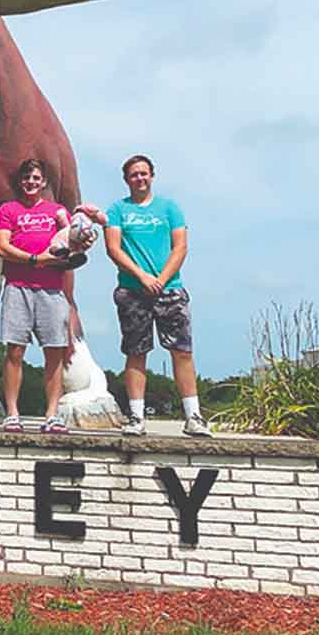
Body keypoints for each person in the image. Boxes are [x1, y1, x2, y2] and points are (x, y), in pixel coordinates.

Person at [76, 155, 212, 437]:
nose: (140, 179)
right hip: (132, 291)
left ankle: (193, 416)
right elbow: (114, 249)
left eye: (144, 174)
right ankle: (136, 417)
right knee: (136, 352)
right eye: (134, 175)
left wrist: (161, 280)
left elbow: (180, 247)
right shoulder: (118, 210)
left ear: (152, 176)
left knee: (182, 352)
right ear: (127, 180)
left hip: (170, 288)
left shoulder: (170, 208)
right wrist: (142, 277)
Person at [0, 158, 79, 434]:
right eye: (27, 177)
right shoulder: (8, 210)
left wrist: (77, 241)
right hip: (17, 286)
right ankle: (12, 413)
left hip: (52, 290)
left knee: (54, 351)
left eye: (36, 178)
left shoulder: (56, 211)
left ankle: (52, 415)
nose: (31, 182)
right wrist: (34, 259)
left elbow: (71, 238)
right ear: (21, 181)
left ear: (44, 183)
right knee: (15, 350)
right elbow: (2, 247)